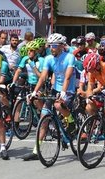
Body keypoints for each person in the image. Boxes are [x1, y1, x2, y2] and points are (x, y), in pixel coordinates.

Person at [22, 33, 77, 161]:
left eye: (55, 46)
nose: (52, 48)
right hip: (55, 89)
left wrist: (63, 92)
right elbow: (42, 77)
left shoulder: (69, 57)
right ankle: (36, 151)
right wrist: (35, 91)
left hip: (68, 90)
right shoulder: (48, 58)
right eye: (50, 45)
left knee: (58, 105)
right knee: (44, 119)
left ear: (61, 46)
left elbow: (68, 76)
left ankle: (71, 121)